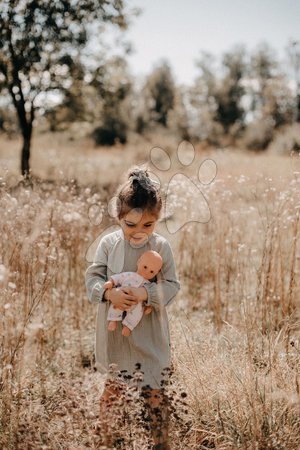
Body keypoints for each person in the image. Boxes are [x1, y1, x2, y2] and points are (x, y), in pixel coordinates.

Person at [85, 165, 181, 449]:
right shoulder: (109, 244)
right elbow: (93, 277)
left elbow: (172, 287)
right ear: (119, 217)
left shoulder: (161, 247)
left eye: (148, 225)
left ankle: (160, 442)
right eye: (131, 225)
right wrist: (107, 296)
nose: (139, 232)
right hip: (116, 334)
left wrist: (146, 293)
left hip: (149, 333)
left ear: (157, 220)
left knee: (155, 393)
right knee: (114, 389)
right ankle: (104, 439)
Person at [104, 250, 163, 336]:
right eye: (145, 267)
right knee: (116, 306)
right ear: (139, 262)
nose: (147, 272)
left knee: (137, 314)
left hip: (137, 304)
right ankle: (113, 320)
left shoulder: (148, 284)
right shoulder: (129, 275)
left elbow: (150, 296)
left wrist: (149, 306)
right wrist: (111, 282)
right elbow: (118, 278)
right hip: (122, 296)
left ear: (156, 273)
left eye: (151, 272)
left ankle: (128, 327)